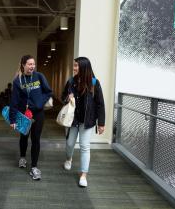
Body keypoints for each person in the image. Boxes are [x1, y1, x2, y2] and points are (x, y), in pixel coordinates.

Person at [61, 57, 105, 187]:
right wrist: (67, 98)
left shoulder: (94, 83)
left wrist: (101, 123)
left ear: (84, 67)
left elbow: (100, 104)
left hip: (87, 121)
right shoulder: (71, 82)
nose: (74, 68)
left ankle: (83, 175)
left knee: (85, 146)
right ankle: (69, 159)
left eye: (76, 66)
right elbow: (62, 96)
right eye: (74, 66)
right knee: (69, 143)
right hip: (73, 120)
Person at [9, 55, 52, 180]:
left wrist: (40, 103)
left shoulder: (39, 76)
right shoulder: (18, 80)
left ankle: (34, 167)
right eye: (29, 64)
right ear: (23, 65)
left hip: (38, 113)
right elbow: (14, 101)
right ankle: (22, 157)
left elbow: (48, 92)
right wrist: (12, 119)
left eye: (33, 64)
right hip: (24, 113)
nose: (32, 66)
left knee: (36, 139)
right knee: (24, 136)